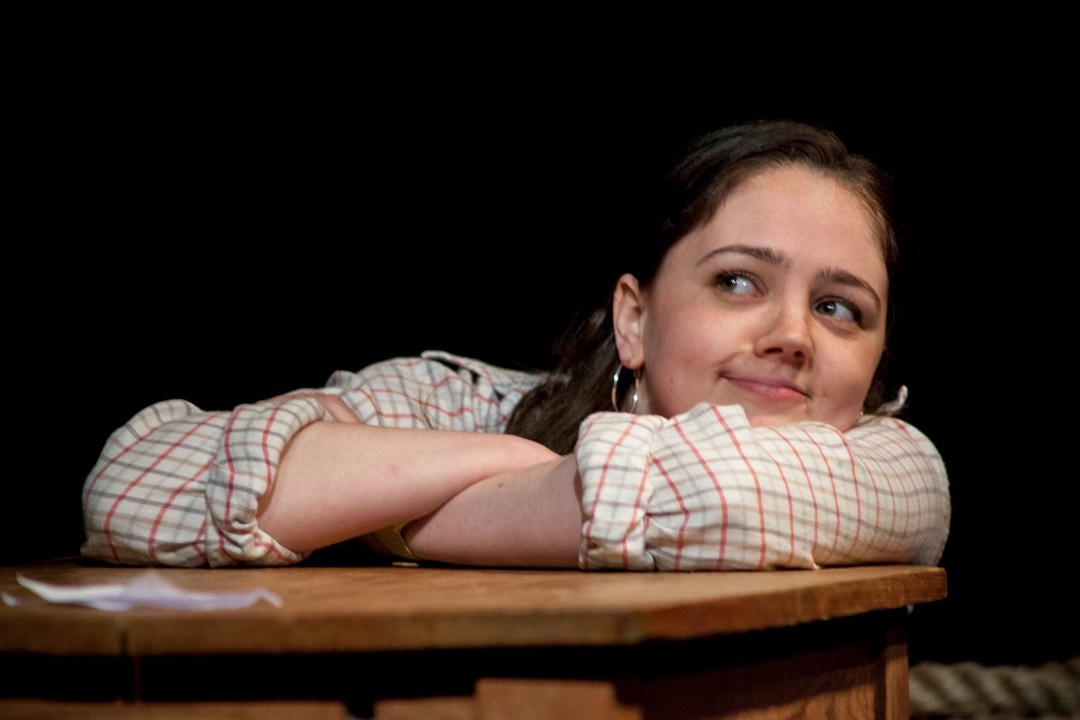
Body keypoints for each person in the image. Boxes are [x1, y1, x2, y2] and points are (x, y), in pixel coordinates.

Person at [81, 119, 951, 571]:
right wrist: (502, 454)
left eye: (840, 308)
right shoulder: (461, 403)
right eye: (737, 282)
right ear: (634, 319)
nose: (793, 335)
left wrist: (371, 509)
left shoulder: (895, 466)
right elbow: (131, 491)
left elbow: (725, 493)